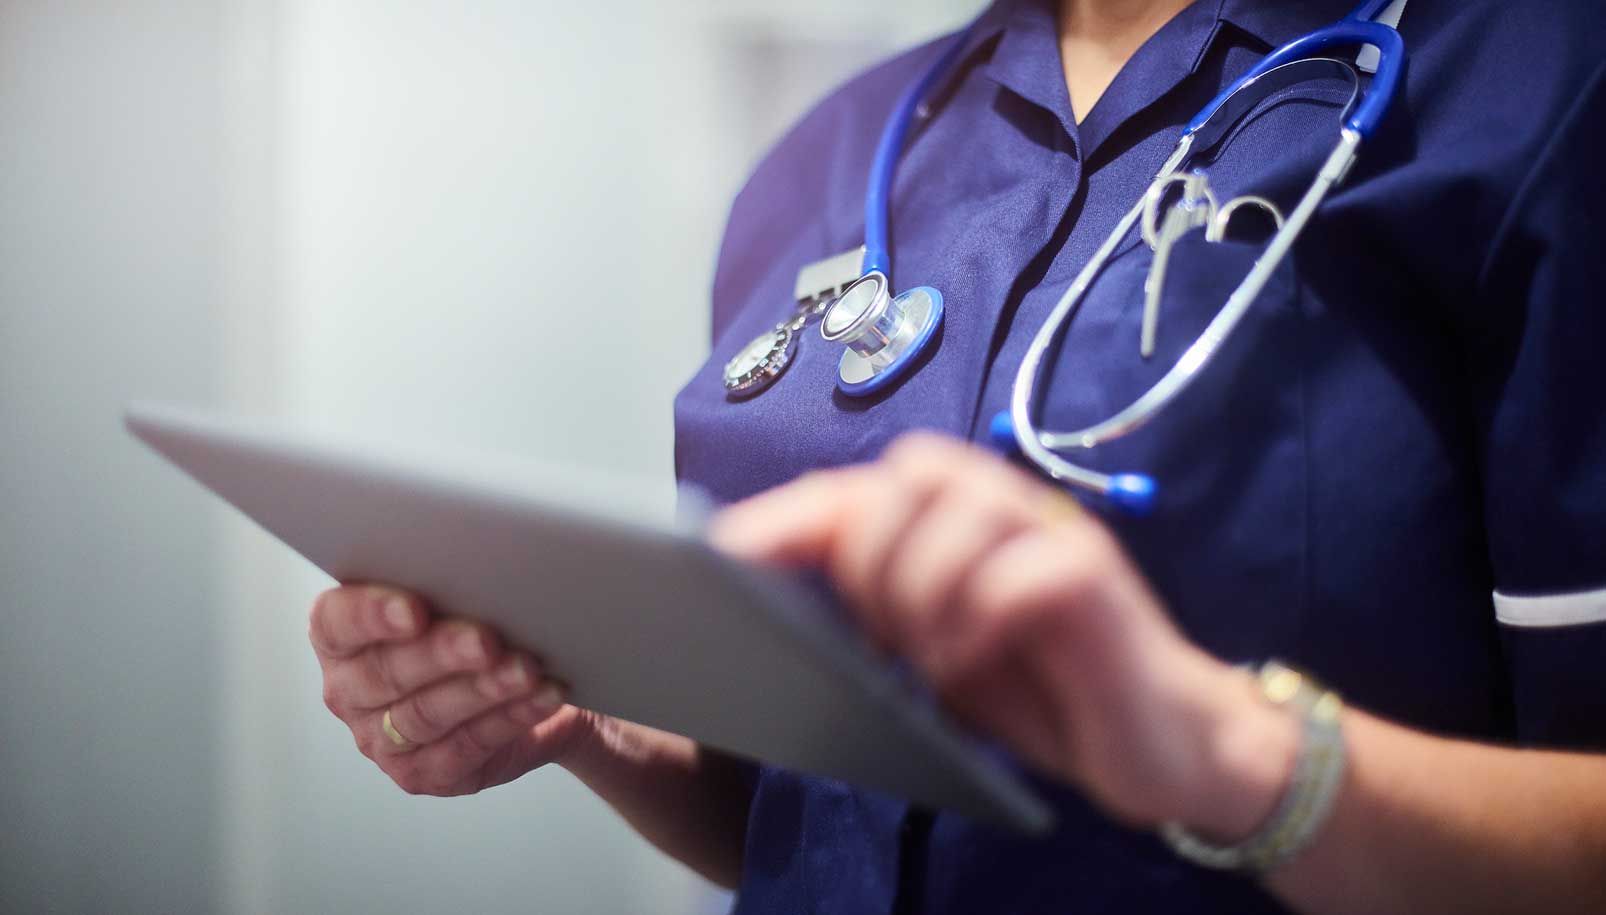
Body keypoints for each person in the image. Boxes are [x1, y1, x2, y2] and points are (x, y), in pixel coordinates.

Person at [305, 0, 1606, 911]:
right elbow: (794, 816)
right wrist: (580, 723)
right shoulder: (829, 154)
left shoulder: (1534, 83)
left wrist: (1230, 754)